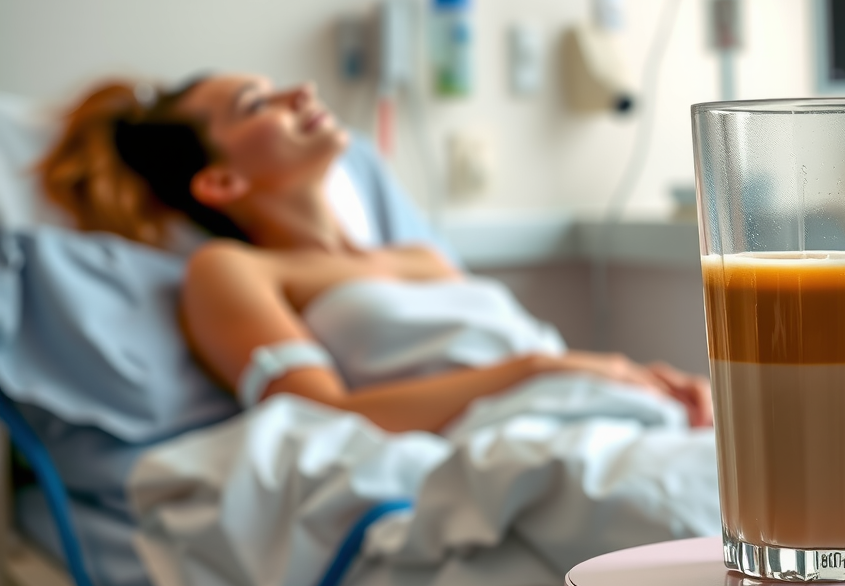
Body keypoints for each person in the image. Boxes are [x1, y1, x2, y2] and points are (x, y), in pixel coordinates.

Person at [40, 74, 713, 433]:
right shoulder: (234, 272)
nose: (300, 93)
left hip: (590, 412)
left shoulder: (419, 255)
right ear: (222, 182)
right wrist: (540, 370)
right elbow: (321, 420)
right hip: (507, 436)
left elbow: (514, 347)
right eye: (258, 104)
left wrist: (632, 376)